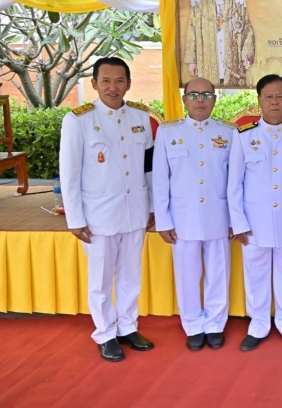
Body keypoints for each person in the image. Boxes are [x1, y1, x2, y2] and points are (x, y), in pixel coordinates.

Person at [59, 57, 156, 362]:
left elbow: (148, 168)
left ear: (128, 83)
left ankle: (127, 326)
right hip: (98, 215)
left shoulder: (140, 116)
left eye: (119, 80)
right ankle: (105, 333)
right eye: (106, 81)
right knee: (101, 280)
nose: (113, 87)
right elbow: (69, 173)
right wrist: (75, 218)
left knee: (131, 275)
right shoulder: (79, 120)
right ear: (94, 84)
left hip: (135, 210)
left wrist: (152, 207)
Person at [229, 74, 282, 351]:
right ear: (259, 100)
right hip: (255, 222)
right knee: (255, 275)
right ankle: (258, 324)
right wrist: (238, 222)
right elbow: (234, 183)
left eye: (280, 96)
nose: (274, 102)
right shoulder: (244, 136)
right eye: (269, 97)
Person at [152, 78, 236, 351]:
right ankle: (193, 325)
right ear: (185, 99)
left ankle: (215, 324)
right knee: (187, 274)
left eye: (207, 95)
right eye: (195, 94)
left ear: (215, 99)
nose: (200, 99)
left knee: (218, 272)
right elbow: (160, 180)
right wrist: (163, 219)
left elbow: (236, 180)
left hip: (219, 214)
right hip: (182, 217)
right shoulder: (168, 132)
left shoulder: (229, 132)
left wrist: (235, 219)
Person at [185, 0, 255, 86]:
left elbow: (248, 32)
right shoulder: (199, 5)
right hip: (207, 60)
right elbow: (191, 34)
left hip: (232, 61)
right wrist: (192, 61)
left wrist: (246, 56)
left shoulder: (238, 5)